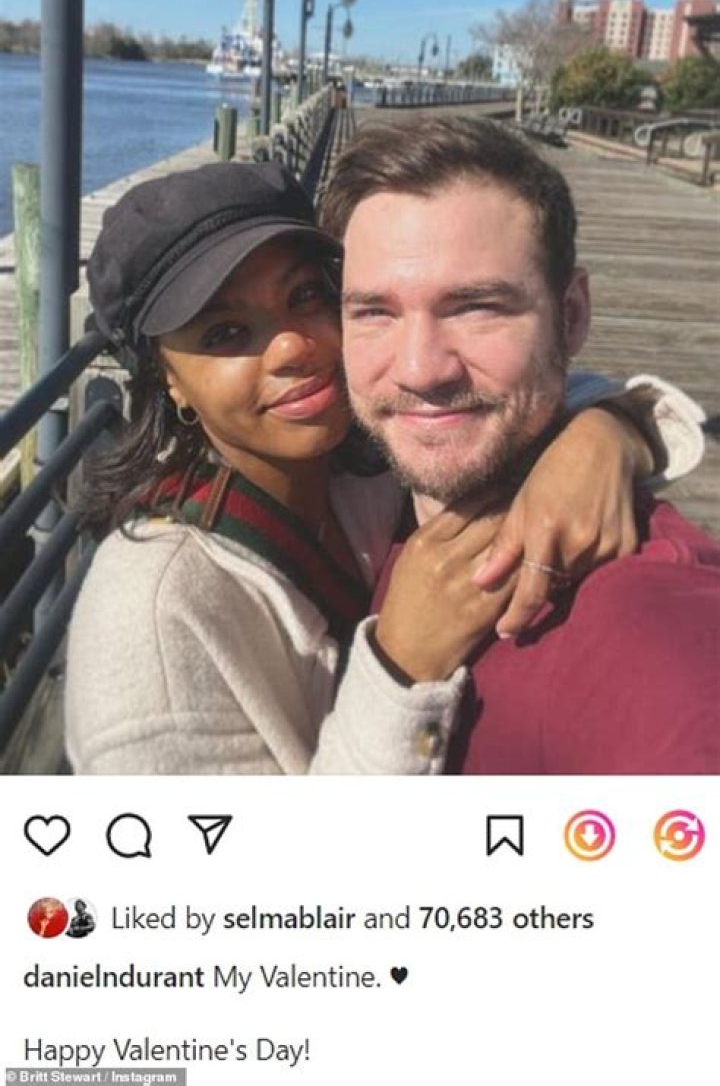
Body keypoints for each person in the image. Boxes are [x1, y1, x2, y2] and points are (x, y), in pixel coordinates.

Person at [65, 162, 700, 775]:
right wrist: (400, 664)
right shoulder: (150, 621)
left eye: (306, 295)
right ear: (169, 380)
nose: (292, 347)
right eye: (224, 333)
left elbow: (518, 403)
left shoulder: (371, 465)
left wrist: (606, 433)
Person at [320, 115, 719, 773]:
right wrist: (620, 425)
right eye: (375, 312)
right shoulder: (355, 492)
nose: (420, 370)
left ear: (572, 316)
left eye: (476, 307)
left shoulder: (654, 637)